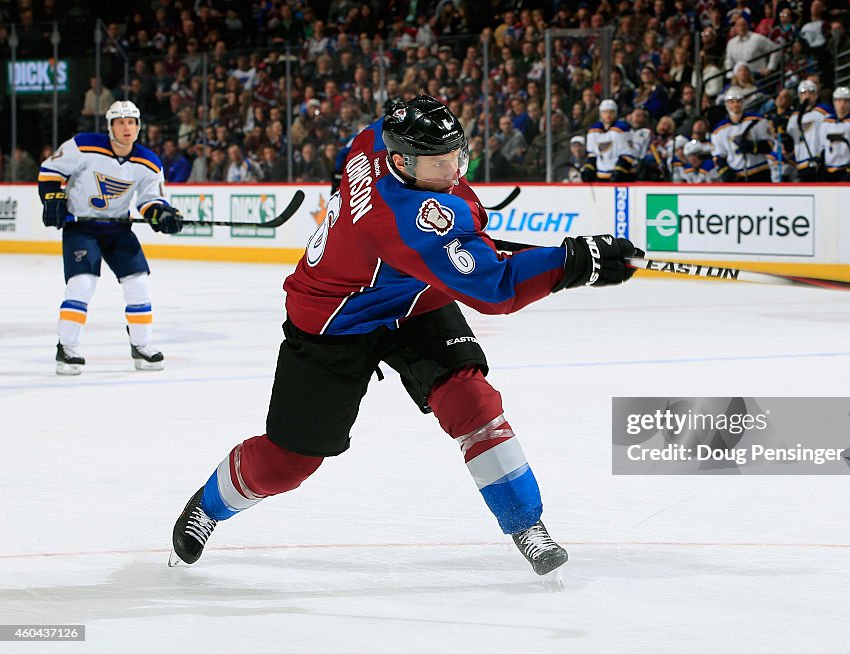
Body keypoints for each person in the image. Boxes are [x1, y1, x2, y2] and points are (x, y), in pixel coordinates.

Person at [169, 95, 641, 576]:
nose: (455, 169)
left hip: (412, 299)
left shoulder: (377, 137)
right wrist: (575, 262)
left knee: (472, 403)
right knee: (291, 461)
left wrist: (461, 239)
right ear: (402, 162)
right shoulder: (402, 217)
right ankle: (207, 508)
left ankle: (525, 523)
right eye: (440, 163)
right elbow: (496, 289)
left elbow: (449, 231)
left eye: (457, 154)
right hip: (335, 320)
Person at [37, 100, 183, 375]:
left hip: (117, 229)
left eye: (132, 122)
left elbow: (151, 200)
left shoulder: (149, 162)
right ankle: (66, 348)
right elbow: (50, 171)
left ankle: (142, 345)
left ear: (138, 127)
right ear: (110, 126)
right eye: (120, 122)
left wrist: (161, 214)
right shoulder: (83, 145)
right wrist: (53, 197)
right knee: (82, 284)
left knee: (139, 283)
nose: (127, 128)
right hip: (81, 227)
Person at [712, 87, 774, 182]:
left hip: (760, 171)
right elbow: (719, 155)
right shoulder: (719, 131)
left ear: (743, 102)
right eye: (732, 102)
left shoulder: (757, 120)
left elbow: (770, 145)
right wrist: (725, 171)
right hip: (737, 175)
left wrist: (754, 147)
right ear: (726, 104)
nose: (735, 104)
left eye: (738, 101)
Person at [818, 87, 850, 182]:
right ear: (834, 102)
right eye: (839, 100)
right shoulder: (826, 123)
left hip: (848, 171)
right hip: (829, 171)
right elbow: (823, 147)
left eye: (846, 101)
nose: (842, 104)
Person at [582, 99, 636, 182]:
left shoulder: (622, 129)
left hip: (622, 177)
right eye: (605, 112)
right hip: (601, 176)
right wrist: (589, 168)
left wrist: (620, 170)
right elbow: (592, 154)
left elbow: (628, 154)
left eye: (611, 112)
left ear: (616, 113)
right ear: (600, 113)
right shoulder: (593, 131)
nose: (608, 115)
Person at [787, 79, 828, 182]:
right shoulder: (794, 118)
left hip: (818, 162)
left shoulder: (823, 113)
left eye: (810, 92)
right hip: (801, 163)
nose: (807, 95)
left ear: (816, 95)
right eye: (804, 92)